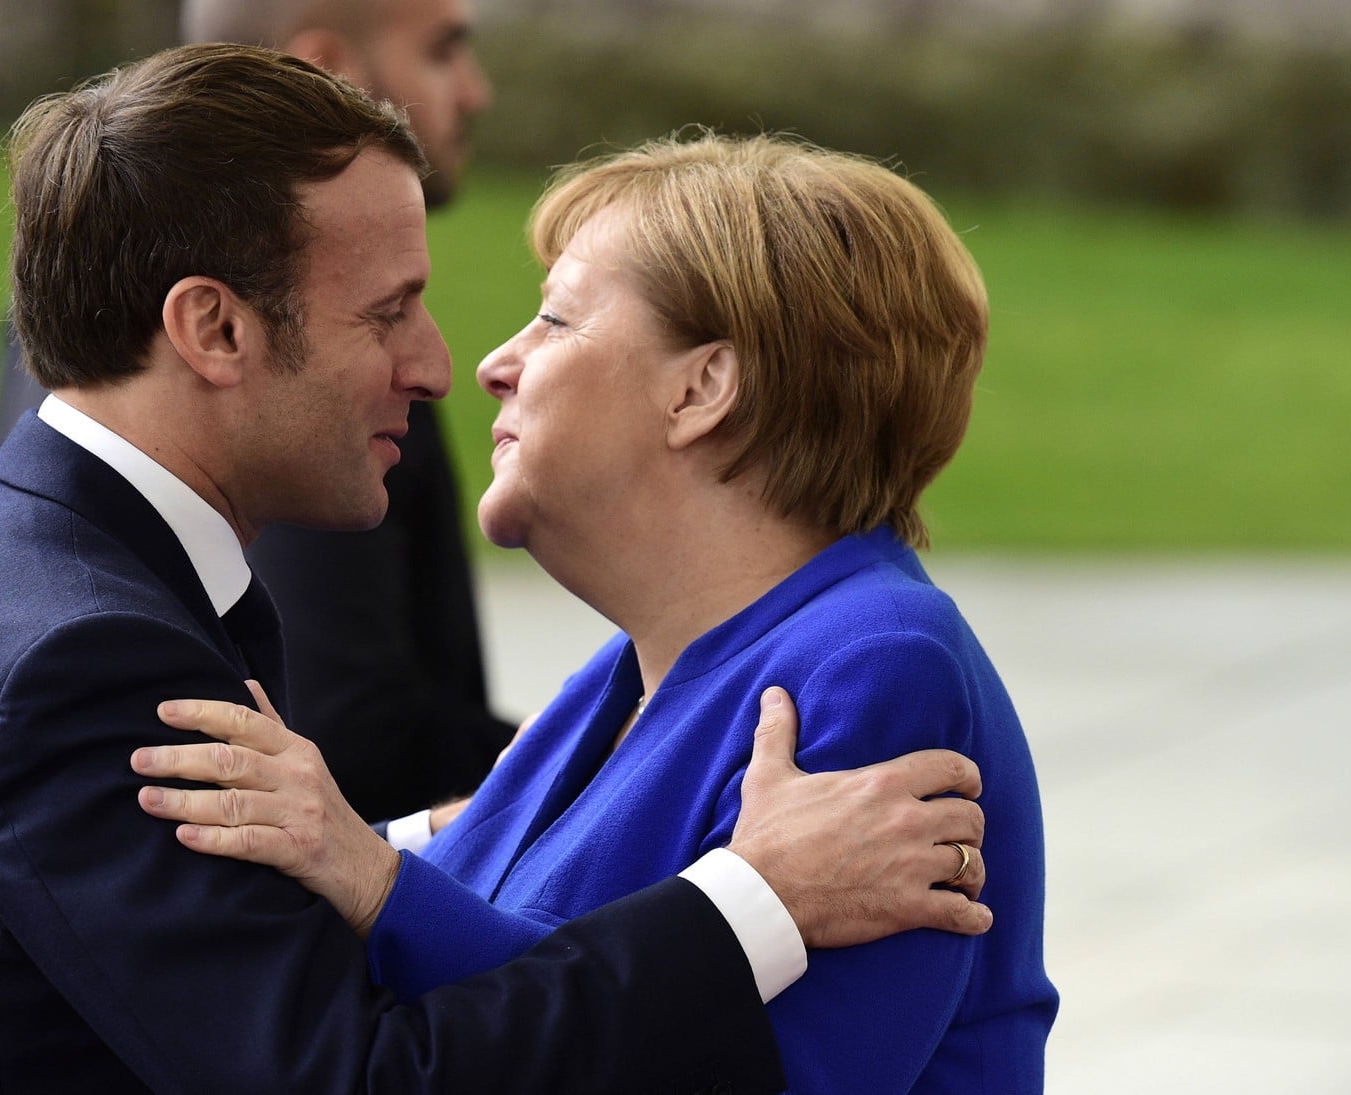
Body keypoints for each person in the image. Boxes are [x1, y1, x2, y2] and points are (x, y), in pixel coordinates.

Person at [0, 47, 993, 1093]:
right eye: (389, 312)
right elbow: (360, 1068)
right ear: (213, 329)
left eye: (556, 322)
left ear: (704, 387)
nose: (451, 365)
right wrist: (752, 904)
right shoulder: (82, 652)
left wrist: (376, 855)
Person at [131, 133, 1058, 1090]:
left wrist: (366, 872)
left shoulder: (876, 665)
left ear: (701, 389)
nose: (495, 363)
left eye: (556, 320)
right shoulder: (634, 670)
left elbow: (720, 1067)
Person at [0, 0, 509, 821]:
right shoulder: (272, 415)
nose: (476, 92)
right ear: (216, 330)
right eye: (443, 52)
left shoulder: (81, 313)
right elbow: (343, 741)